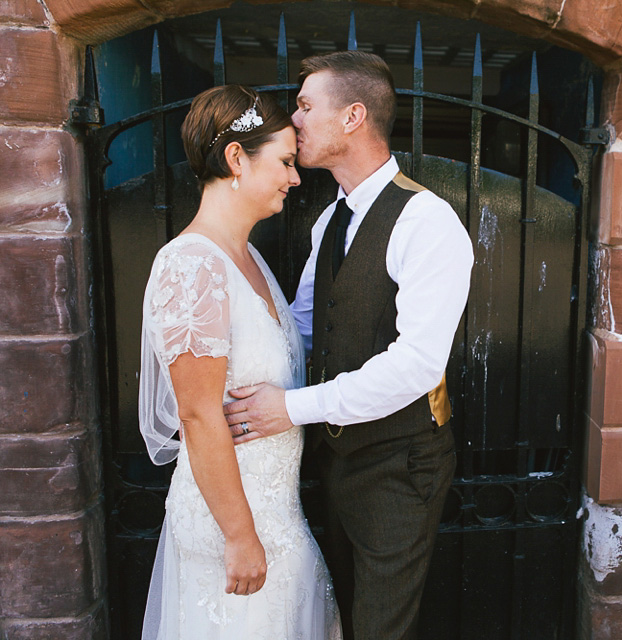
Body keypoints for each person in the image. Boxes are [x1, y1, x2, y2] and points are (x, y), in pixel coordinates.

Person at [223, 51, 474, 640]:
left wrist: (287, 408)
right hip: (331, 464)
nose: (295, 120)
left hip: (399, 467)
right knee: (340, 618)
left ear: (353, 116)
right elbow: (306, 329)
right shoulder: (327, 220)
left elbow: (416, 366)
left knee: (381, 628)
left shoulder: (426, 223)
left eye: (307, 106)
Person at [138, 85, 341, 639]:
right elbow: (199, 413)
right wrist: (239, 535)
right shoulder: (191, 265)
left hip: (279, 516)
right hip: (231, 531)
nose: (295, 178)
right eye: (283, 162)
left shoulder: (249, 258)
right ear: (235, 159)